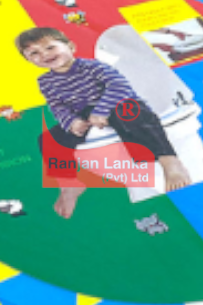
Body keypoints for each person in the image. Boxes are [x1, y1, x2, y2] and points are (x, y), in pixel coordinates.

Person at [16, 27, 192, 218]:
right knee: (48, 139)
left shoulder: (93, 66)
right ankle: (68, 183)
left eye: (50, 47)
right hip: (85, 115)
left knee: (131, 114)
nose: (44, 54)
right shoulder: (45, 81)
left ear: (71, 47)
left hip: (119, 103)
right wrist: (72, 122)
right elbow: (57, 106)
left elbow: (119, 86)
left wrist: (101, 111)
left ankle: (169, 161)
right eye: (34, 53)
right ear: (28, 60)